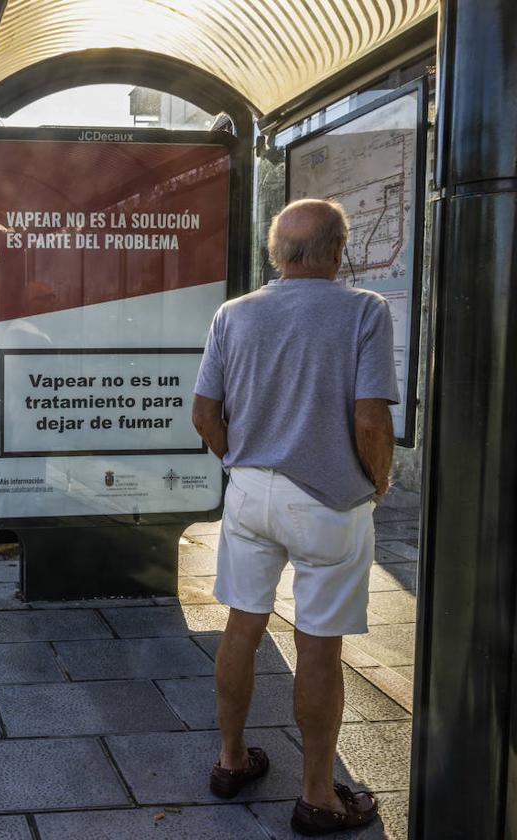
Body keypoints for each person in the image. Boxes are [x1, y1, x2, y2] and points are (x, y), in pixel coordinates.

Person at [191, 198, 396, 835]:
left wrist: (241, 463)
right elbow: (369, 417)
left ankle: (230, 761)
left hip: (249, 493)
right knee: (318, 645)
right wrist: (378, 480)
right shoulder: (365, 310)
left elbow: (204, 413)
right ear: (338, 252)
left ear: (277, 255)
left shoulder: (234, 313)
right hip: (328, 500)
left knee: (242, 626)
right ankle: (317, 798)